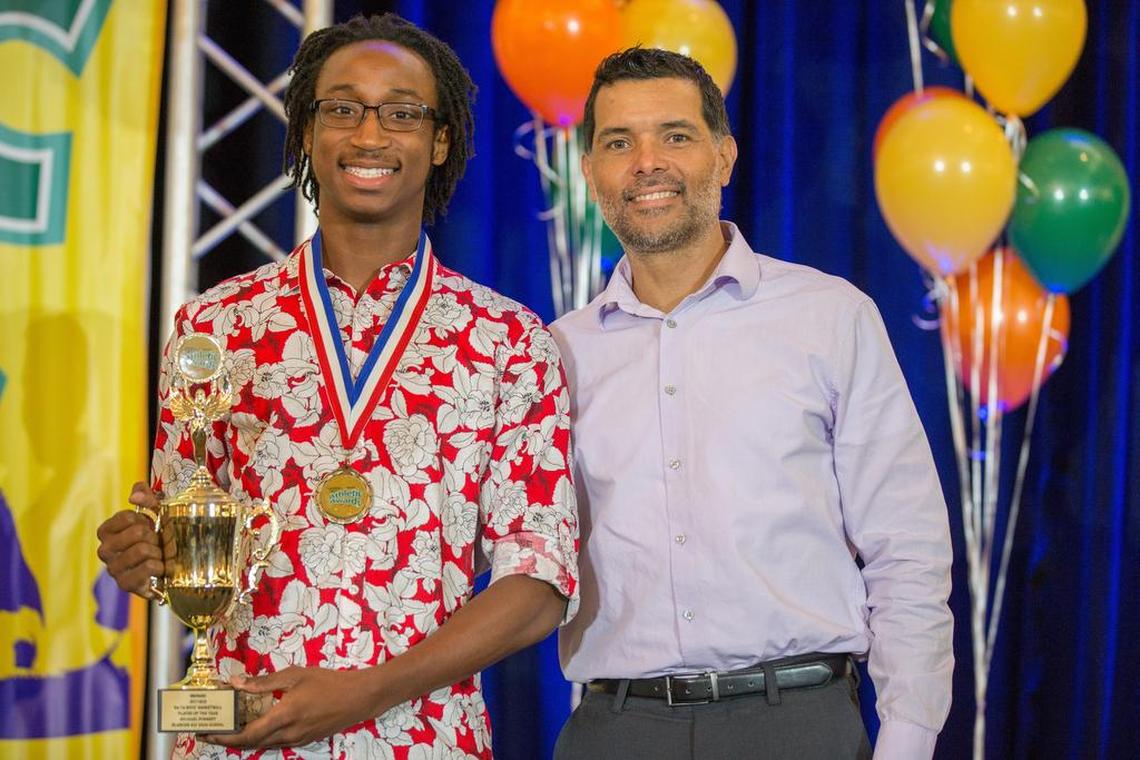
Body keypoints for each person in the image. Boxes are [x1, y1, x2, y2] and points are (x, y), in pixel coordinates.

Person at [96, 14, 578, 758]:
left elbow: (539, 579)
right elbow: (188, 543)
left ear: (440, 140)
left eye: (402, 113)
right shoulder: (215, 327)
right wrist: (147, 558)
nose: (370, 135)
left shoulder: (507, 341)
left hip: (424, 739)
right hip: (243, 736)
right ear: (306, 131)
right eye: (344, 108)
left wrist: (367, 690)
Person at [550, 48, 953, 760]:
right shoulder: (555, 353)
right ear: (589, 171)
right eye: (618, 143)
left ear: (725, 156)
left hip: (797, 723)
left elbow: (907, 546)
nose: (647, 163)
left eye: (675, 135)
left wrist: (908, 740)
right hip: (617, 728)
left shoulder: (829, 316)